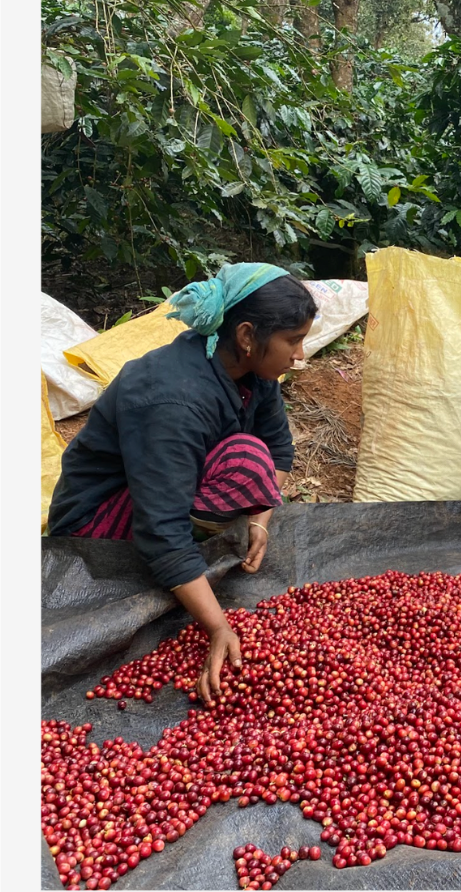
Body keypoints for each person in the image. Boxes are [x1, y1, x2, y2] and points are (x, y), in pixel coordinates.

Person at [48, 263, 317, 704]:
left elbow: (280, 452)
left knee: (256, 460)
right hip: (93, 531)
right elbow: (162, 531)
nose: (300, 354)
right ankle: (176, 572)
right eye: (293, 340)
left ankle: (191, 562)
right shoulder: (171, 398)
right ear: (247, 336)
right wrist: (217, 626)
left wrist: (261, 522)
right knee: (246, 463)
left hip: (162, 494)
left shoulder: (252, 373)